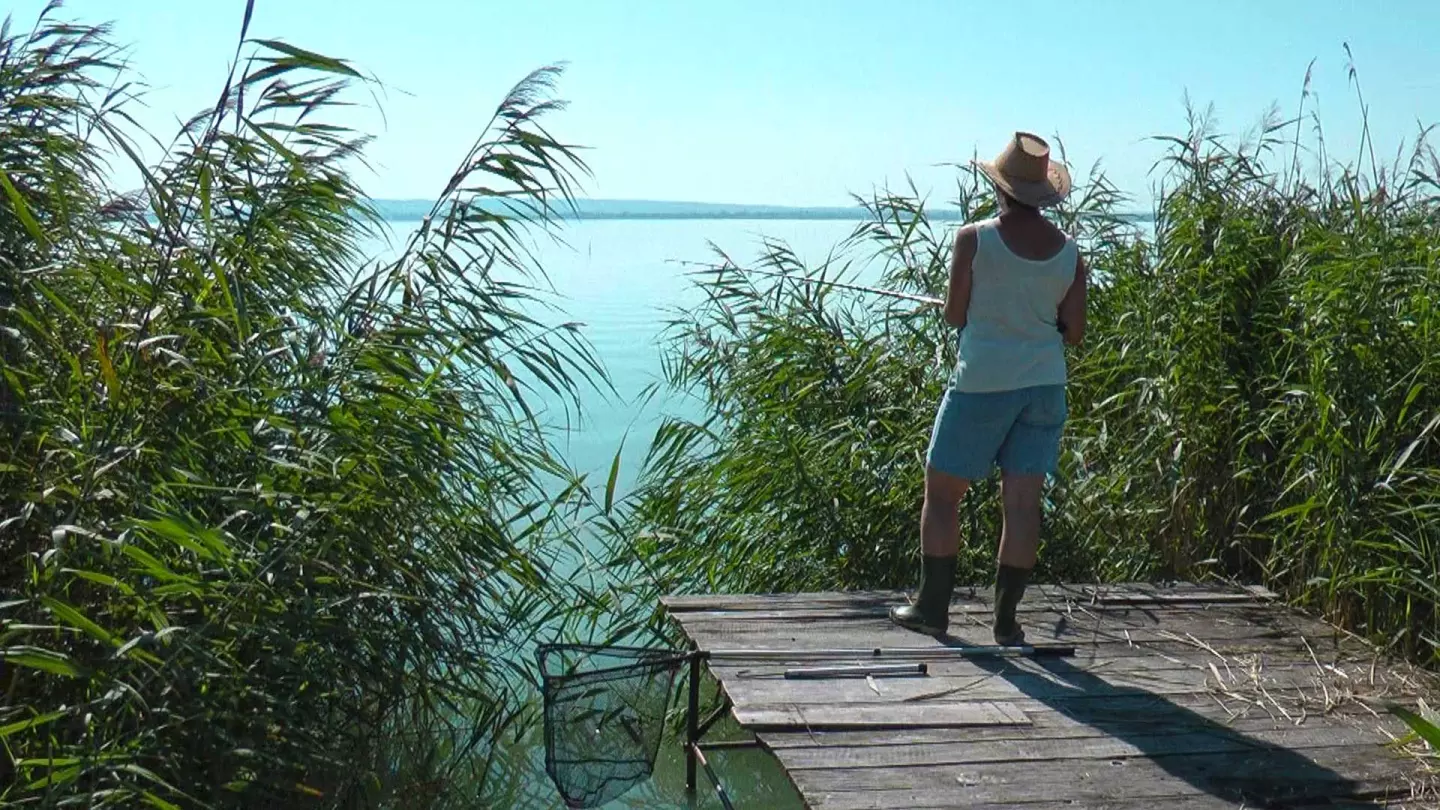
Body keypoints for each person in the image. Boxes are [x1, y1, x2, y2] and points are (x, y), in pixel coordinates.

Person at [889, 132, 1087, 645]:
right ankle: (1005, 622)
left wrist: (977, 311)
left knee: (942, 494)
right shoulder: (1070, 252)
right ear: (1043, 194)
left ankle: (932, 609)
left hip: (981, 383)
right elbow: (1076, 329)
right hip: (1044, 386)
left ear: (1000, 187)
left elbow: (956, 314)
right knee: (1022, 505)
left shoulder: (973, 239)